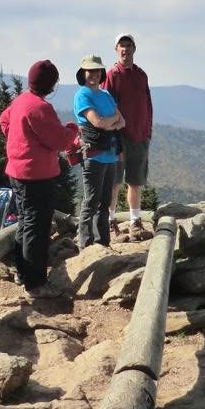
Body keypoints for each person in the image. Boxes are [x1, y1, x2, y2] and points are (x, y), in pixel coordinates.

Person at [0, 59, 68, 298]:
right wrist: (73, 131)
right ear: (49, 84)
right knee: (37, 227)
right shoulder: (40, 108)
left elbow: (4, 120)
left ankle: (21, 271)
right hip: (37, 176)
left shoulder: (20, 101)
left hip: (16, 172)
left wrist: (16, 136)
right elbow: (59, 140)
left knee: (25, 222)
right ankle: (35, 283)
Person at [73, 55, 125, 249]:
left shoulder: (106, 95)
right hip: (93, 155)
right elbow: (98, 122)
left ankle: (102, 243)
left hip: (109, 154)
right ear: (83, 73)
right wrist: (110, 122)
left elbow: (123, 122)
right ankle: (85, 245)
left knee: (105, 202)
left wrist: (107, 123)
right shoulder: (82, 95)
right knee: (91, 201)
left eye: (97, 70)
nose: (94, 74)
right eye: (90, 70)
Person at [104, 33, 153, 238]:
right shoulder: (112, 75)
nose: (125, 49)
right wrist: (112, 133)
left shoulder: (141, 75)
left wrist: (148, 130)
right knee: (114, 182)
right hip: (119, 136)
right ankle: (109, 221)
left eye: (128, 45)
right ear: (116, 50)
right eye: (121, 45)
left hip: (140, 135)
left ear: (134, 48)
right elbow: (107, 105)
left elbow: (147, 103)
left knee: (136, 181)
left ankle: (135, 221)